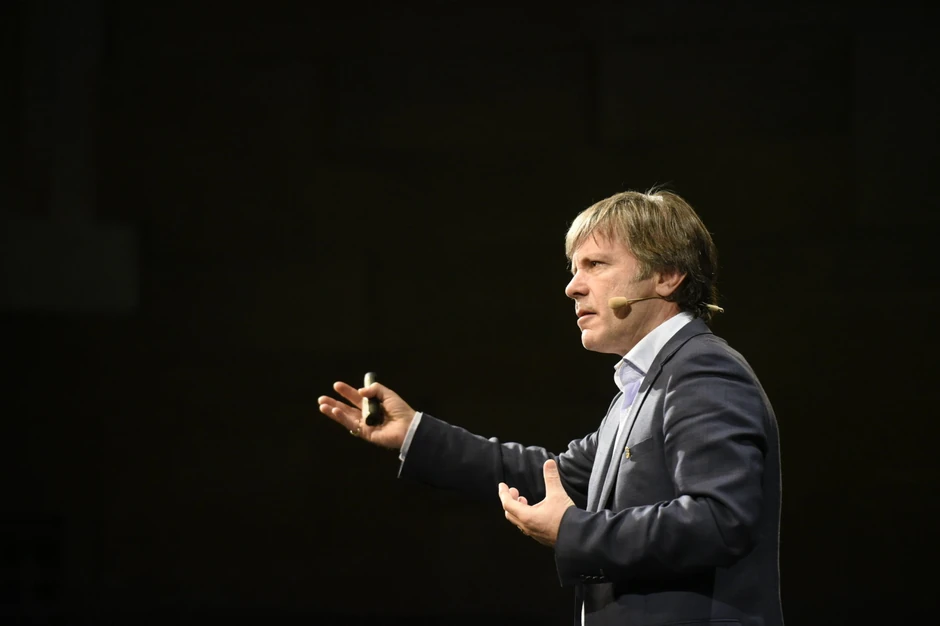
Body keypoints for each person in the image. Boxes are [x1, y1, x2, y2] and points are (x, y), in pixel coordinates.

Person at [318, 190, 783, 626]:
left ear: (667, 276)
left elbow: (719, 521)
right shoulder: (643, 387)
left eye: (596, 264)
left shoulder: (702, 370)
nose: (572, 288)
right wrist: (413, 432)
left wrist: (573, 531)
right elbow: (548, 475)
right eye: (574, 268)